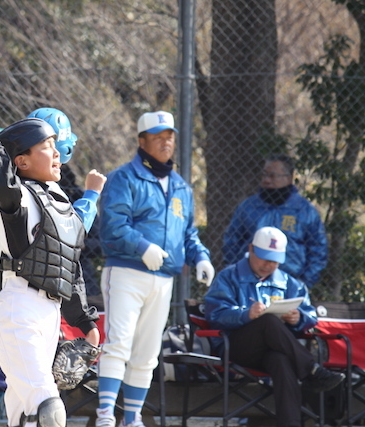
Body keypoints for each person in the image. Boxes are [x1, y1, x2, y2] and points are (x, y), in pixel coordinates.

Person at [0, 117, 101, 427]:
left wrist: (84, 321)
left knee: (25, 413)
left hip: (47, 314)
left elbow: (67, 266)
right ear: (21, 161)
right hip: (18, 311)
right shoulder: (18, 198)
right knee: (48, 407)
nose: (57, 154)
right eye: (47, 147)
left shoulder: (60, 202)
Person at [96, 111, 215, 427]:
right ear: (141, 141)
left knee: (148, 353)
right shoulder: (123, 178)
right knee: (118, 343)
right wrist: (142, 246)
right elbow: (112, 225)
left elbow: (188, 233)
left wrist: (200, 256)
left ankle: (132, 419)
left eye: (170, 136)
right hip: (126, 272)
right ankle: (106, 416)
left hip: (163, 279)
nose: (166, 141)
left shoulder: (180, 187)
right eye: (158, 136)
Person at [205, 226, 345, 427]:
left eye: (274, 260)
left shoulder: (289, 283)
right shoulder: (229, 277)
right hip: (236, 348)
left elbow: (311, 316)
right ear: (251, 249)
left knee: (280, 361)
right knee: (267, 321)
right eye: (264, 257)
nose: (268, 265)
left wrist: (299, 319)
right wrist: (245, 314)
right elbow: (215, 315)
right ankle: (312, 370)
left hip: (275, 350)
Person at [0, 107, 105, 296]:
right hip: (29, 292)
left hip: (32, 288)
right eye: (47, 145)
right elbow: (74, 230)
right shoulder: (33, 189)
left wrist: (11, 263)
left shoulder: (31, 185)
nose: (54, 152)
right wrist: (91, 195)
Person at [223, 153, 328, 287]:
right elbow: (232, 242)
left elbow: (318, 250)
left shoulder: (305, 211)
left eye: (272, 176)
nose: (266, 180)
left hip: (291, 283)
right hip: (249, 283)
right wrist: (237, 275)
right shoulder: (248, 207)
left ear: (288, 178)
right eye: (264, 175)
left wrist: (303, 283)